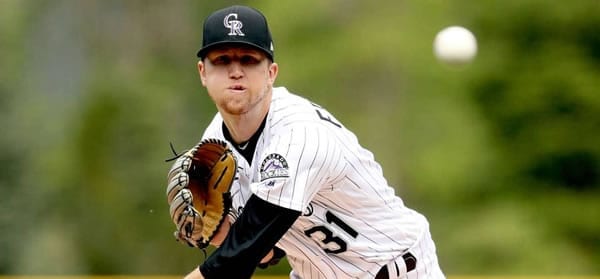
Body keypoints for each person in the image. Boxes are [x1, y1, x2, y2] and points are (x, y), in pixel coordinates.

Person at [178, 5, 445, 279]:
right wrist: (225, 233)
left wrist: (240, 245)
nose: (236, 71)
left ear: (271, 73)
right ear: (202, 72)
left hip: (393, 270)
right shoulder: (215, 144)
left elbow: (238, 260)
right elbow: (267, 251)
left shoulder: (298, 133)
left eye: (248, 59)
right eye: (222, 60)